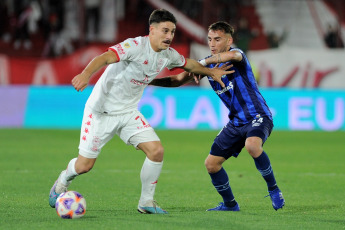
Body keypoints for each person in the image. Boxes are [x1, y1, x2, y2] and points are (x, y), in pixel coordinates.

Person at [48, 10, 232, 214]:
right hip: (101, 111)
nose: (169, 36)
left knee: (156, 151)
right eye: (165, 31)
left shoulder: (168, 55)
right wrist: (85, 74)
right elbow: (105, 57)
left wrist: (210, 71)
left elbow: (188, 64)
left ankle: (146, 202)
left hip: (128, 112)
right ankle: (63, 179)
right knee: (84, 166)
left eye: (172, 31)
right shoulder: (134, 46)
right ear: (152, 30)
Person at [149, 21, 285, 211]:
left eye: (217, 39)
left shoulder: (238, 56)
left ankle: (274, 189)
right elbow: (177, 80)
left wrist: (202, 64)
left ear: (229, 40)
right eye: (210, 39)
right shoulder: (207, 65)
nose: (212, 44)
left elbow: (231, 55)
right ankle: (230, 204)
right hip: (236, 122)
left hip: (258, 115)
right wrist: (147, 81)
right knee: (211, 164)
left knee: (252, 145)